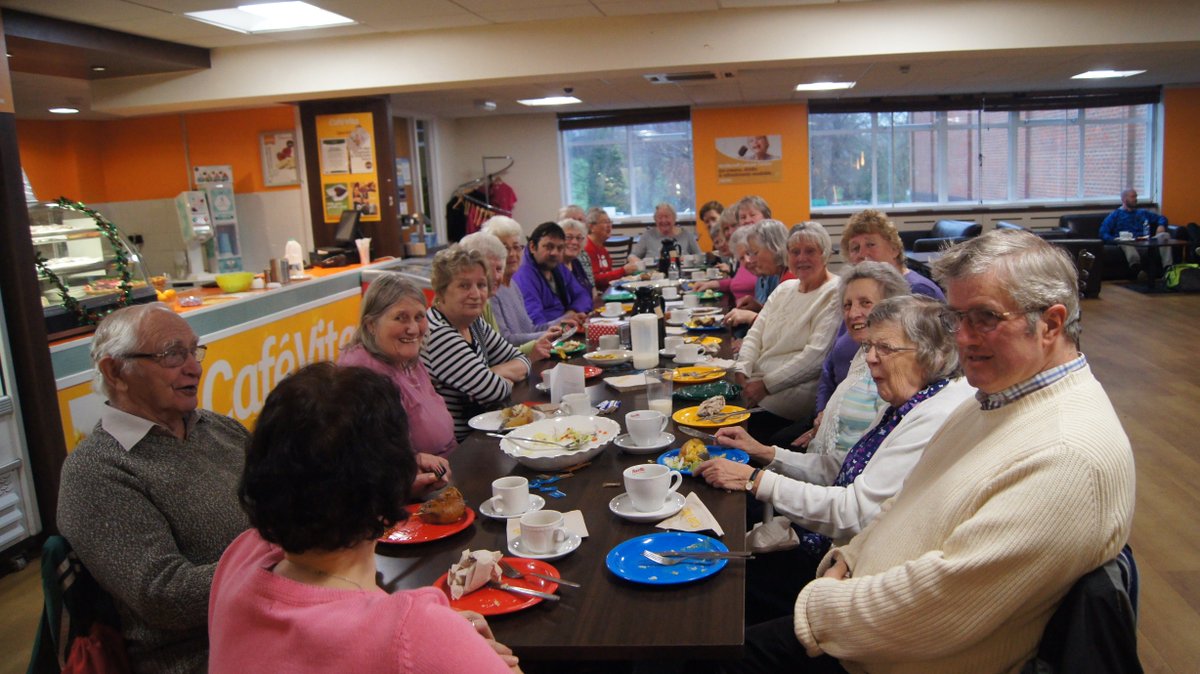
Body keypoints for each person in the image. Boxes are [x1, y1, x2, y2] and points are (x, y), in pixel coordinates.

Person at [720, 229, 1135, 674]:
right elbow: (903, 501)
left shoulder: (1068, 453)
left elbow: (938, 610)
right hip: (858, 605)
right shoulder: (993, 398)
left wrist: (819, 601)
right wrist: (849, 558)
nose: (963, 338)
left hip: (886, 652)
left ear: (1051, 324)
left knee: (707, 642)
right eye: (957, 318)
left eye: (985, 317)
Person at [208, 363, 519, 673]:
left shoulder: (240, 557)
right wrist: (449, 643)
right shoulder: (415, 632)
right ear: (392, 478)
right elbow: (394, 638)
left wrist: (448, 643)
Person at [700, 295, 975, 625]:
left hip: (845, 575)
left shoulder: (934, 417)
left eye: (885, 348)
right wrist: (765, 452)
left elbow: (853, 514)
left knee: (718, 586)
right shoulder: (905, 403)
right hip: (823, 545)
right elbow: (841, 468)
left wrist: (753, 480)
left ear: (931, 355)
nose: (870, 357)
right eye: (869, 346)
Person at [57, 303, 249, 674]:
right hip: (200, 654)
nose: (194, 367)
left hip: (277, 613)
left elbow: (286, 498)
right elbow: (165, 596)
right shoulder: (96, 471)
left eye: (194, 350)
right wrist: (283, 559)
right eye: (172, 354)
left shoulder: (218, 429)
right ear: (115, 371)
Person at [338, 273, 457, 490]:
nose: (413, 329)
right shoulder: (362, 376)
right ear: (371, 324)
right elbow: (372, 465)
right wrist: (415, 467)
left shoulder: (405, 356)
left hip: (445, 473)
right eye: (400, 318)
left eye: (419, 317)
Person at [788, 262, 911, 459]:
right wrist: (825, 419)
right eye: (847, 305)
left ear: (893, 306)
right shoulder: (862, 352)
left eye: (865, 303)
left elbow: (861, 461)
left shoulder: (896, 368)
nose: (853, 314)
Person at [733, 221, 841, 442]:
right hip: (758, 382)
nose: (801, 258)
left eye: (810, 251)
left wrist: (765, 385)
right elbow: (755, 334)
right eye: (795, 252)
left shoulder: (835, 292)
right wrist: (742, 368)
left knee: (733, 429)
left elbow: (816, 356)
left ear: (825, 254)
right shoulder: (784, 289)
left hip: (792, 393)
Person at [422, 246, 530, 441]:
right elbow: (494, 391)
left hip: (485, 434)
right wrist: (494, 378)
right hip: (460, 447)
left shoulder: (474, 323)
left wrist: (490, 373)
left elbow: (523, 361)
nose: (476, 294)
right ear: (441, 291)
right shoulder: (438, 333)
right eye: (464, 286)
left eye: (481, 285)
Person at [460, 231, 559, 363]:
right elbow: (491, 362)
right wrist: (529, 353)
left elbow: (499, 351)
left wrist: (549, 333)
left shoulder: (504, 291)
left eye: (499, 268)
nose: (495, 276)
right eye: (488, 269)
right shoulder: (481, 304)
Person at [480, 217, 572, 354]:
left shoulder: (513, 285)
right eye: (505, 248)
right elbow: (504, 340)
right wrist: (547, 335)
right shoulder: (491, 292)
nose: (512, 254)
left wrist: (561, 323)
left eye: (516, 247)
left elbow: (529, 329)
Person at [511, 221, 593, 326]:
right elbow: (536, 323)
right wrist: (564, 321)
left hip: (564, 328)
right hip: (547, 334)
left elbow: (583, 295)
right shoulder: (524, 276)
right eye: (549, 247)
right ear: (532, 247)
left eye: (560, 248)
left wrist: (572, 312)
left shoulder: (557, 266)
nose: (555, 253)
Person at [724, 219, 795, 327]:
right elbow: (778, 316)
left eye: (755, 253)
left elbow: (783, 328)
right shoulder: (781, 274)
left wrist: (751, 317)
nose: (752, 260)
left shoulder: (791, 279)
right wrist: (759, 308)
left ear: (774, 248)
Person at [1100, 188, 1172, 279]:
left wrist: (1161, 225)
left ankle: (1168, 269)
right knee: (1125, 241)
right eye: (1133, 197)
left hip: (1146, 243)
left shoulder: (1142, 213)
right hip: (1128, 244)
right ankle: (1136, 270)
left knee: (1165, 235)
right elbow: (1103, 233)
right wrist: (1114, 240)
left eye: (1136, 197)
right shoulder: (1115, 215)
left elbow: (1162, 218)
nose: (1135, 199)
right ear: (1124, 199)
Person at [584, 207, 637, 290]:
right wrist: (623, 271)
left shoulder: (602, 248)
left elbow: (607, 275)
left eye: (609, 222)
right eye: (605, 222)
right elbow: (594, 280)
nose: (609, 226)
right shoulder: (587, 248)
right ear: (592, 227)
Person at [629, 202, 702, 262]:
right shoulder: (647, 235)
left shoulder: (686, 235)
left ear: (674, 218)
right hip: (653, 274)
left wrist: (687, 259)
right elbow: (632, 256)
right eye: (660, 217)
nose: (663, 220)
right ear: (655, 220)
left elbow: (700, 256)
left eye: (667, 216)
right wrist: (641, 264)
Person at [559, 217, 595, 295]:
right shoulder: (555, 268)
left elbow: (589, 289)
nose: (575, 242)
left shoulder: (576, 263)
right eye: (568, 237)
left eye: (578, 238)